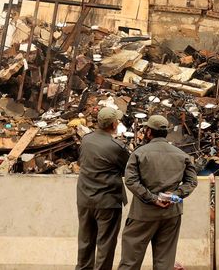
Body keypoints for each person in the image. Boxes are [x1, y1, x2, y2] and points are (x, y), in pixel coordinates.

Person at [117, 114, 198, 270]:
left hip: (142, 215)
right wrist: (174, 196)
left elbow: (131, 181)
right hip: (171, 214)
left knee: (130, 261)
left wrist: (153, 199)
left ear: (148, 132)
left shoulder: (139, 153)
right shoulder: (182, 155)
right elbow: (191, 182)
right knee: (165, 263)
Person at [76, 106, 130, 270]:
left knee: (85, 242)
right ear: (114, 125)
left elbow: (81, 161)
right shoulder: (116, 146)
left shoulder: (86, 139)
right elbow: (128, 170)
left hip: (85, 199)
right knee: (105, 245)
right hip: (107, 202)